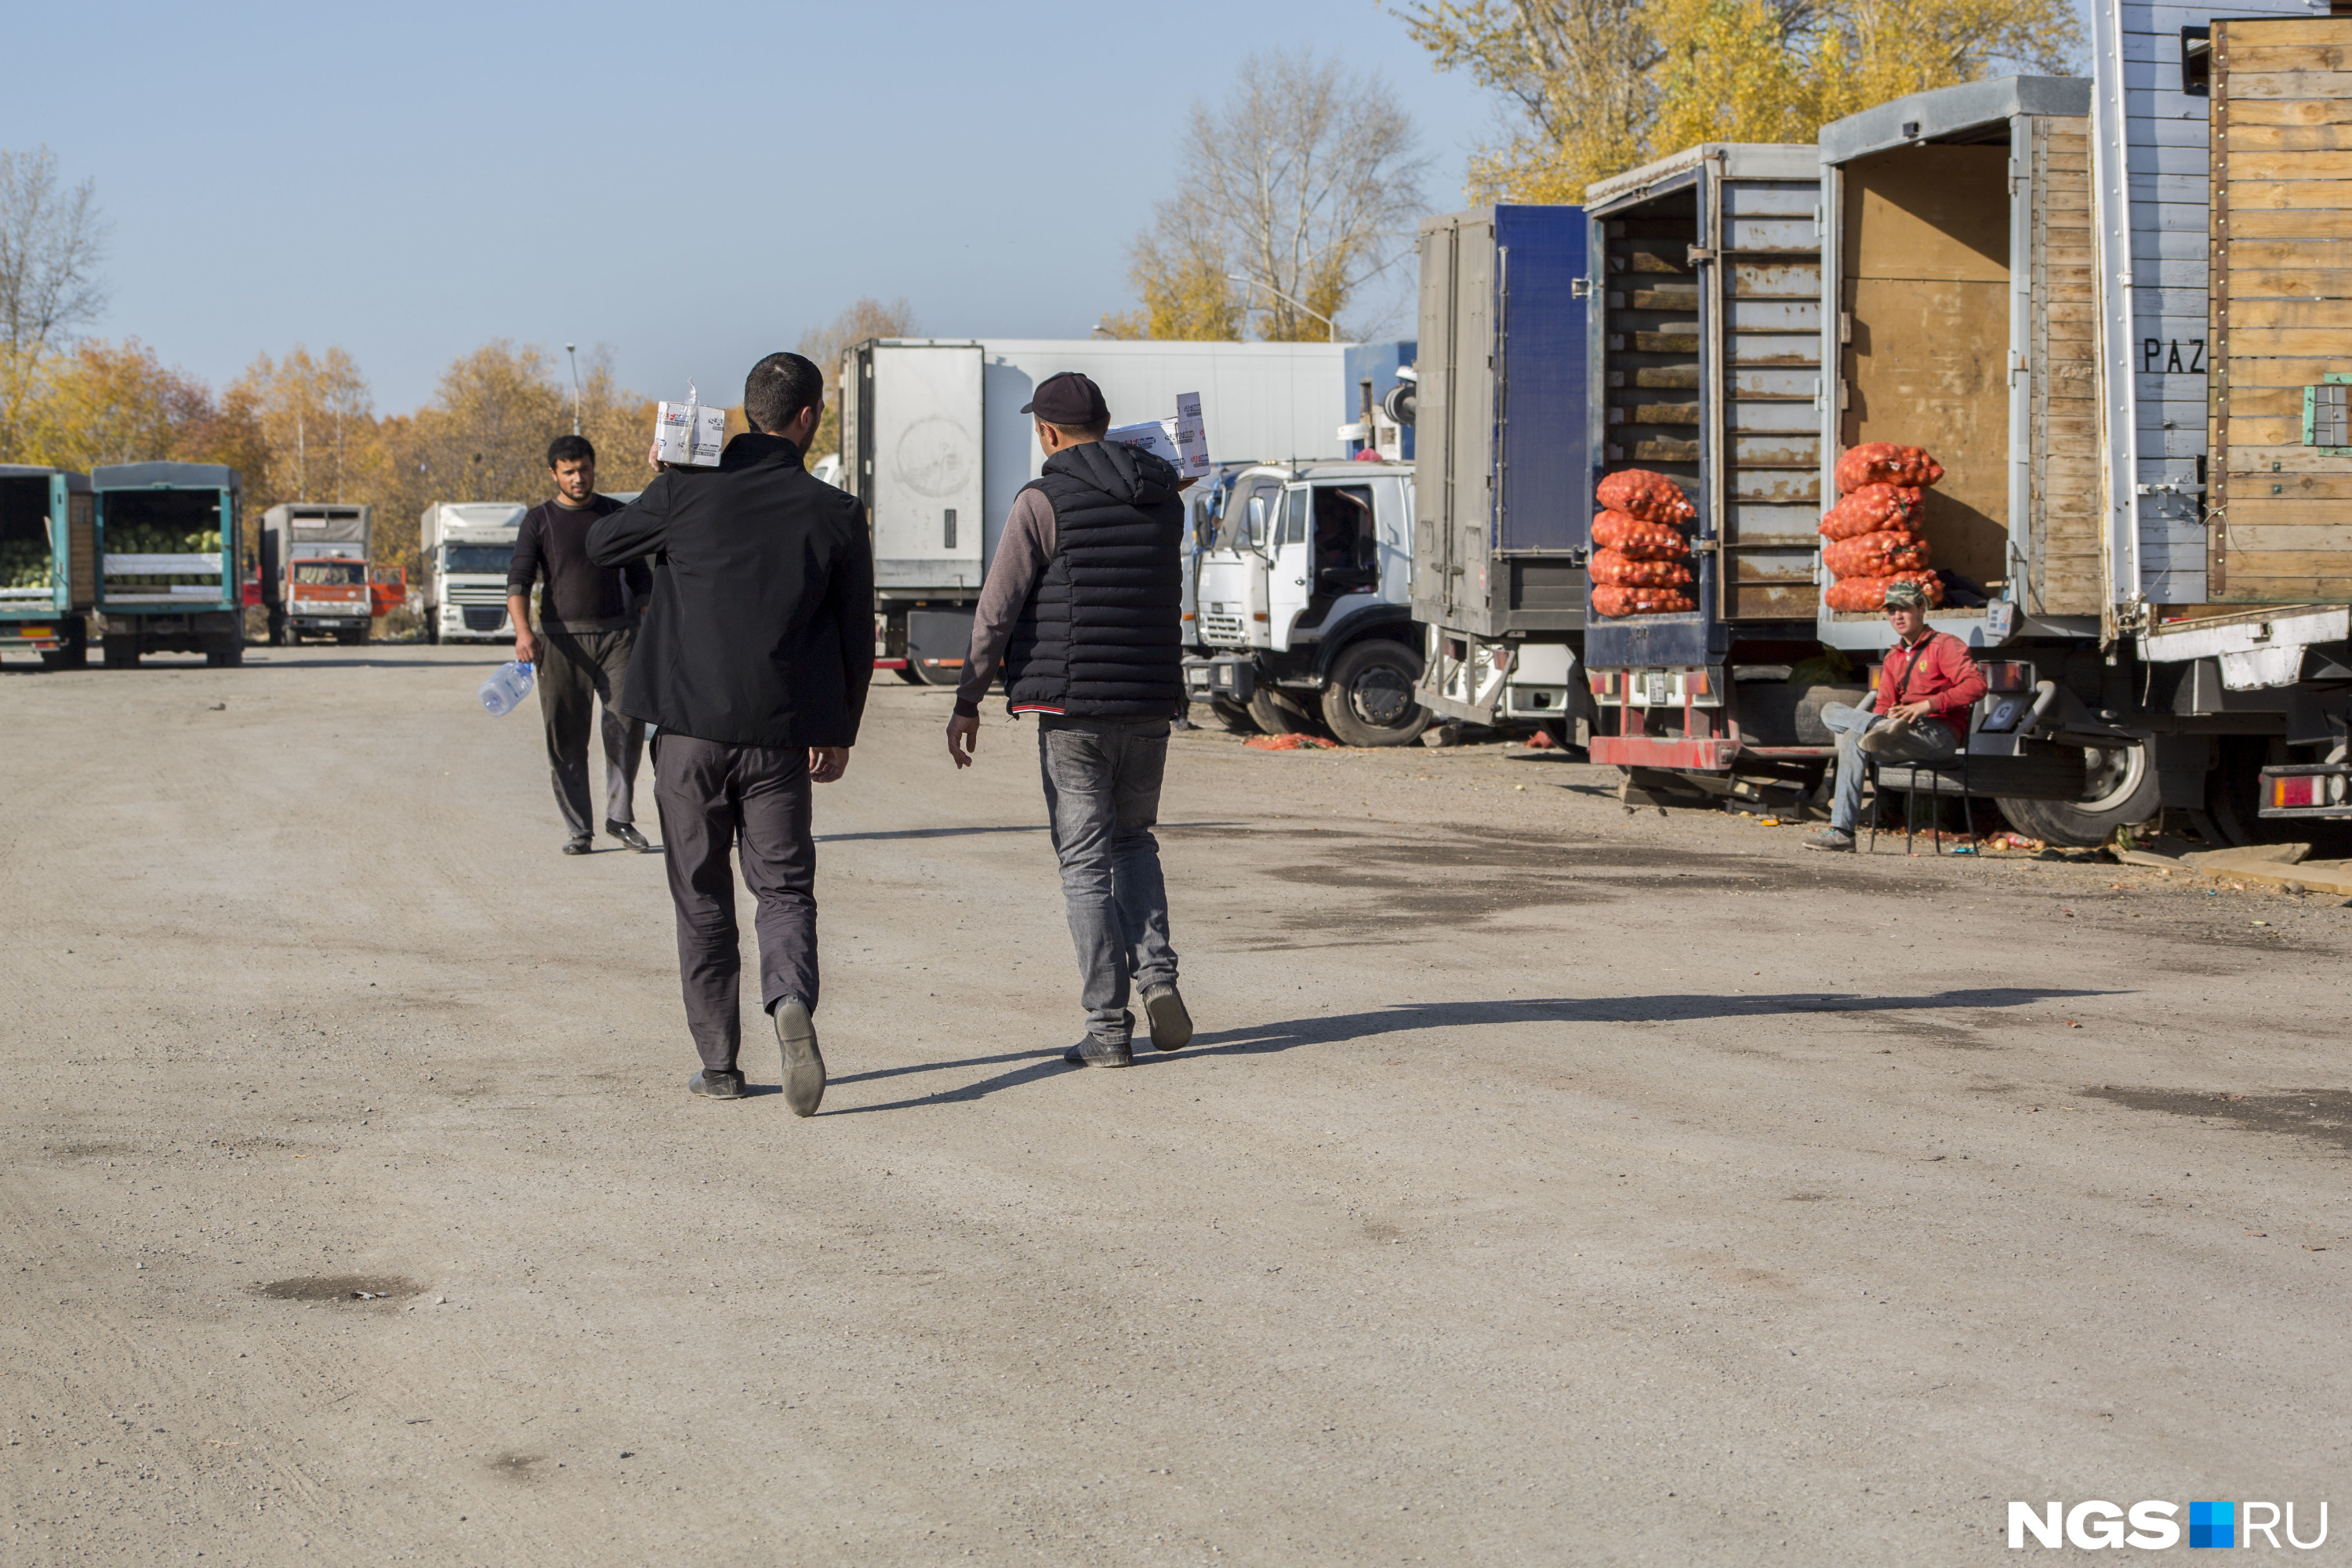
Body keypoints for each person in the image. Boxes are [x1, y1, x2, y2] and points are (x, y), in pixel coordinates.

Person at [586, 353, 873, 1112]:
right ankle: (789, 1002)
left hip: (687, 734)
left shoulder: (685, 489)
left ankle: (719, 1063)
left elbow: (599, 546)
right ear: (809, 417)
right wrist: (838, 727)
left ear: (748, 412)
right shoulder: (835, 514)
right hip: (780, 738)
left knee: (701, 893)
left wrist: (660, 476)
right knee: (782, 886)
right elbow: (854, 638)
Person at [945, 371, 1193, 1069]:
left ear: (1048, 433)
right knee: (1135, 842)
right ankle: (1160, 979)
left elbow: (997, 610)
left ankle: (1108, 1029)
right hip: (1149, 703)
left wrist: (968, 701)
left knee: (1085, 864)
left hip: (1073, 708)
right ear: (1108, 424)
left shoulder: (1041, 500)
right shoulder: (1164, 499)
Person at [508, 434, 654, 855]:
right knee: (566, 737)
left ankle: (620, 819)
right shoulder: (539, 521)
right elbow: (518, 582)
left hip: (619, 637)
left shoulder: (614, 514)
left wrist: (647, 622)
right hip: (559, 643)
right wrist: (523, 633)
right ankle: (579, 829)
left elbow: (641, 578)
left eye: (584, 469)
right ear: (554, 473)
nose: (578, 478)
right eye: (569, 471)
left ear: (593, 467)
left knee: (627, 725)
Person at [1806, 579, 1987, 851]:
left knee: (1856, 735)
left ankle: (1883, 728)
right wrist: (1882, 719)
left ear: (1921, 608)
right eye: (1891, 611)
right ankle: (1842, 833)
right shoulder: (1893, 657)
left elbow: (1977, 685)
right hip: (1897, 730)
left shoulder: (1945, 645)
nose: (1898, 616)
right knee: (1832, 712)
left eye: (1903, 609)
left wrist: (1927, 705)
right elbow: (1884, 703)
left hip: (1937, 734)